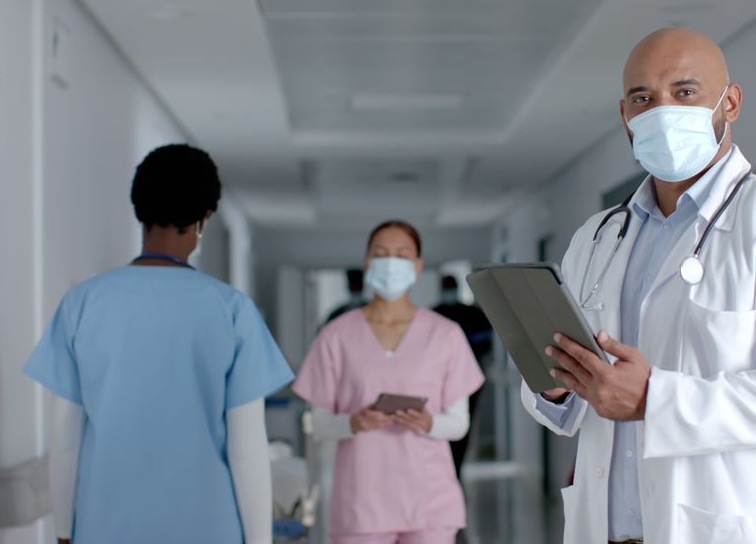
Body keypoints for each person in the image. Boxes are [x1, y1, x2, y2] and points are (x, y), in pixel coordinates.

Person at [521, 28, 756, 543]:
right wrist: (554, 382)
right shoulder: (597, 238)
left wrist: (656, 399)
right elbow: (574, 405)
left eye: (684, 92)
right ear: (625, 115)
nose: (661, 110)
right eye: (643, 98)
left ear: (730, 101)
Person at [24, 144, 294, 544]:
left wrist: (64, 530)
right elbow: (247, 448)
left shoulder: (81, 304)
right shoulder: (231, 310)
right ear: (203, 219)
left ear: (139, 210)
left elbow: (64, 438)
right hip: (207, 527)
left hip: (106, 527)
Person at [293, 220, 485, 544]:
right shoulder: (336, 335)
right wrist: (354, 422)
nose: (390, 263)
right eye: (381, 254)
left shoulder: (445, 334)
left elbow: (458, 424)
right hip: (361, 503)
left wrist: (427, 423)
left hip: (430, 500)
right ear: (368, 262)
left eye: (401, 254)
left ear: (418, 265)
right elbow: (319, 423)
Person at [432, 275, 493, 478]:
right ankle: (444, 471)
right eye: (445, 286)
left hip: (469, 382)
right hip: (438, 383)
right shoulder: (434, 315)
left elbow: (487, 344)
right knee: (443, 426)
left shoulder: (473, 314)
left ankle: (455, 471)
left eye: (451, 286)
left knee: (463, 427)